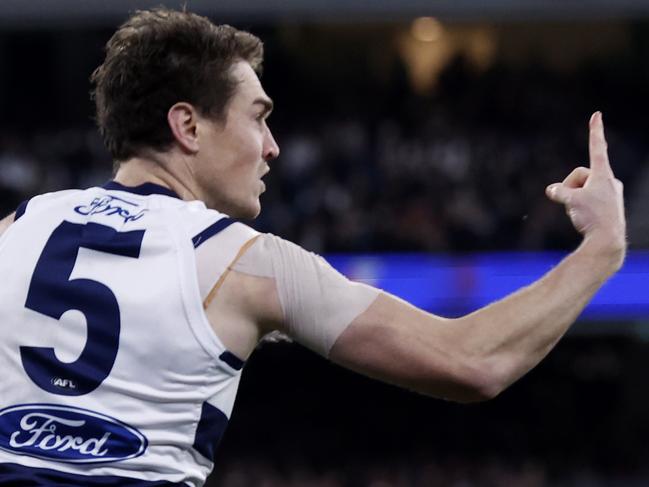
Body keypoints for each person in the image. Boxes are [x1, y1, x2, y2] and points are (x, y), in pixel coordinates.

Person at [0, 7, 626, 487]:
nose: (272, 146)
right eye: (258, 116)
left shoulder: (16, 228)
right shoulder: (249, 263)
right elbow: (472, 362)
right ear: (188, 126)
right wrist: (600, 248)